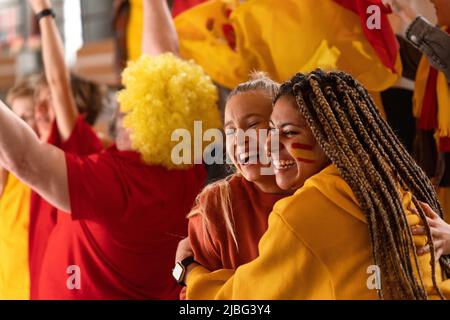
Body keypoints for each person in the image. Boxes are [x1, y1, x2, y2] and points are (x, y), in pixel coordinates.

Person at [0, 0, 221, 299]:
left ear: (140, 121)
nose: (123, 100)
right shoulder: (186, 164)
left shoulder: (119, 182)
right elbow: (166, 64)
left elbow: (26, 159)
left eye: (130, 103)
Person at [177, 69, 450, 300]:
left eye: (287, 132)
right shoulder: (386, 185)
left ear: (327, 137)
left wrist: (188, 270)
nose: (270, 144)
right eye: (231, 130)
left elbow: (239, 301)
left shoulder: (302, 211)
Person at [27, 0, 105, 299]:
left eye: (50, 102)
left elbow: (58, 81)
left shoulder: (80, 145)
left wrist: (43, 12)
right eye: (39, 101)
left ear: (78, 108)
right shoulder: (42, 149)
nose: (40, 109)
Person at [187, 73, 291, 275]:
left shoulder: (319, 189)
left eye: (252, 125)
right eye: (231, 131)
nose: (240, 139)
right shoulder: (215, 206)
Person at [0, 78, 37, 300]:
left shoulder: (47, 170)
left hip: (32, 288)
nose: (19, 126)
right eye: (16, 118)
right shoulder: (7, 169)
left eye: (26, 117)